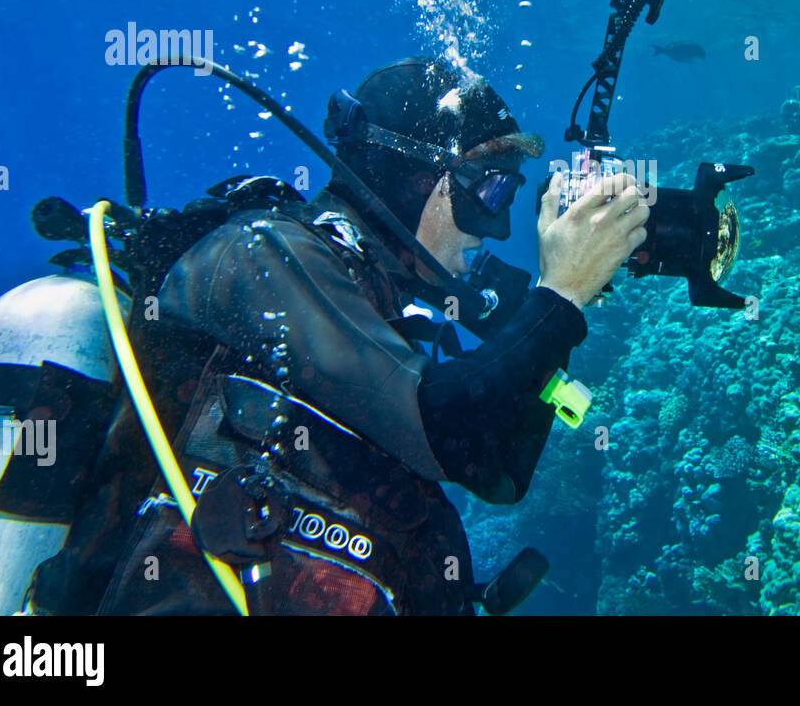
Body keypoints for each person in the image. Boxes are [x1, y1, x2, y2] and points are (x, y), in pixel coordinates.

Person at [57, 55, 648, 615]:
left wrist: (555, 307)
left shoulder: (378, 304)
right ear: (417, 179)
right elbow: (440, 429)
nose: (500, 225)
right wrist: (560, 295)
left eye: (511, 194)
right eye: (491, 190)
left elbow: (495, 470)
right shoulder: (266, 255)